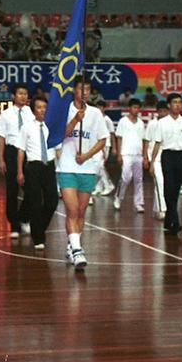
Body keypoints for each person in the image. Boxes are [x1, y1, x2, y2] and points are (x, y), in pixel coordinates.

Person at [57, 80, 108, 270]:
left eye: (87, 89)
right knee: (71, 210)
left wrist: (86, 155)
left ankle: (72, 245)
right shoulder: (65, 110)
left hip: (87, 168)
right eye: (81, 88)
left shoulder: (95, 113)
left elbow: (102, 140)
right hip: (68, 167)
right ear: (73, 90)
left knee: (81, 211)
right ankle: (78, 251)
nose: (85, 92)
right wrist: (75, 120)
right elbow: (59, 135)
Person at [16, 95, 58, 250]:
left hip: (49, 166)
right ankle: (38, 238)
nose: (42, 110)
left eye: (45, 107)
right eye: (39, 107)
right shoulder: (26, 127)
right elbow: (21, 150)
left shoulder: (52, 127)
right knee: (34, 202)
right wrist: (20, 171)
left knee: (52, 200)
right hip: (33, 167)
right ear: (34, 110)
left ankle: (39, 228)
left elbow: (58, 148)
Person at [0, 83, 34, 238]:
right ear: (13, 96)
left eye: (25, 93)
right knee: (12, 190)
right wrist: (0, 160)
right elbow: (1, 137)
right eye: (20, 93)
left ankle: (24, 218)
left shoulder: (31, 113)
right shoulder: (6, 114)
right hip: (12, 152)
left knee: (31, 189)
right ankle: (14, 225)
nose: (23, 96)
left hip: (28, 152)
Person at [150, 93, 182, 236]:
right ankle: (175, 221)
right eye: (174, 102)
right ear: (169, 105)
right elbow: (157, 143)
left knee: (175, 189)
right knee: (168, 187)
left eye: (179, 102)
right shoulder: (162, 123)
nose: (177, 105)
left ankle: (169, 221)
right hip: (168, 156)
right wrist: (152, 162)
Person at [114, 98, 146, 213]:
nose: (136, 110)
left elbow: (143, 140)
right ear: (129, 108)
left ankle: (138, 203)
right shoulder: (123, 121)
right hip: (126, 153)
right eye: (134, 107)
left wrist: (144, 156)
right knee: (126, 178)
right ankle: (118, 198)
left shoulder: (141, 123)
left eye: (138, 108)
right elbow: (119, 137)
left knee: (138, 179)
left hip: (138, 154)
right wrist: (119, 154)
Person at [144, 101, 168, 220]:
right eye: (161, 111)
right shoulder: (152, 124)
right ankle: (162, 209)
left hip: (166, 157)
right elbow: (147, 140)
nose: (163, 113)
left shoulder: (169, 123)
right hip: (154, 157)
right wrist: (146, 158)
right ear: (157, 112)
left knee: (162, 183)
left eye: (165, 110)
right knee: (159, 182)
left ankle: (155, 208)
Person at [91, 101, 116, 199]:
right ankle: (99, 187)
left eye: (101, 107)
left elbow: (112, 133)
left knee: (100, 165)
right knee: (97, 166)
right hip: (97, 144)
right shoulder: (96, 119)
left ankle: (108, 185)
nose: (99, 109)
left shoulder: (107, 119)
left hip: (106, 144)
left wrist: (114, 147)